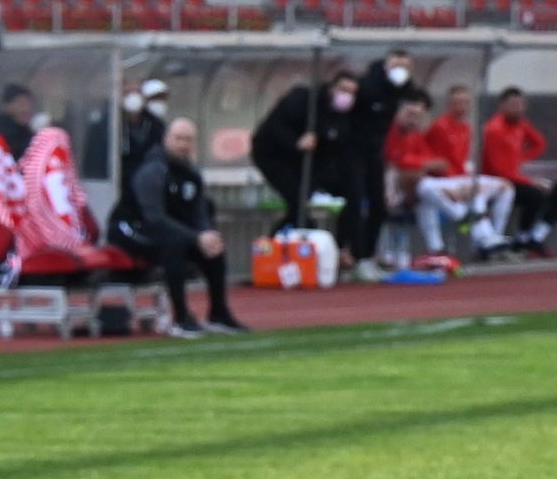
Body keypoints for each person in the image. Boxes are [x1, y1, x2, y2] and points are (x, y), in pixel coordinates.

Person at [110, 116, 247, 339]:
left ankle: (218, 314)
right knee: (174, 246)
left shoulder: (191, 173)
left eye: (188, 140)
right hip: (131, 231)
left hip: (165, 231)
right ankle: (181, 318)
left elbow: (199, 210)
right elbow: (154, 218)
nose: (183, 144)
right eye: (178, 138)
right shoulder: (153, 171)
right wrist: (195, 238)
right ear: (166, 139)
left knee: (213, 247)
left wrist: (206, 235)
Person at [383, 92, 514, 260]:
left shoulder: (418, 134)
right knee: (425, 189)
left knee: (502, 187)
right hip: (399, 190)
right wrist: (427, 167)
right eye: (410, 114)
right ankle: (471, 227)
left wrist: (448, 180)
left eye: (419, 115)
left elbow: (434, 161)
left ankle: (487, 237)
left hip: (433, 182)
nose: (414, 119)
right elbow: (398, 161)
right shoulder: (393, 132)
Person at [251, 69, 361, 258]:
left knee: (353, 192)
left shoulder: (343, 118)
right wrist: (296, 142)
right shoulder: (303, 100)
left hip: (306, 163)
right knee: (298, 203)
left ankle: (344, 248)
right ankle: (271, 252)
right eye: (343, 89)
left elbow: (336, 150)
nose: (347, 96)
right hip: (274, 157)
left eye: (352, 92)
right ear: (332, 87)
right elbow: (273, 127)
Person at [350, 48, 418, 280]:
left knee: (379, 204)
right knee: (356, 201)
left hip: (375, 153)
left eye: (405, 67)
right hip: (353, 151)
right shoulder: (367, 87)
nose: (401, 72)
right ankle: (356, 256)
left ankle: (367, 256)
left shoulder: (401, 92)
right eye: (397, 66)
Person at [482, 86, 557, 253]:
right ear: (502, 106)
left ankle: (537, 236)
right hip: (501, 182)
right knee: (535, 195)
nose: (518, 109)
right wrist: (531, 182)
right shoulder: (495, 129)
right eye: (513, 104)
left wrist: (521, 157)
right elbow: (499, 170)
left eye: (520, 104)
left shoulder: (520, 125)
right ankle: (522, 237)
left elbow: (539, 142)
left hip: (516, 178)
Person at [118, 79, 168, 190]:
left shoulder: (156, 125)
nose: (133, 97)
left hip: (149, 186)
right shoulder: (110, 125)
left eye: (137, 93)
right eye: (127, 93)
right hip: (121, 186)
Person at [0, 84, 39, 162]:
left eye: (29, 104)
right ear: (6, 106)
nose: (26, 108)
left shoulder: (25, 130)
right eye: (21, 103)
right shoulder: (2, 130)